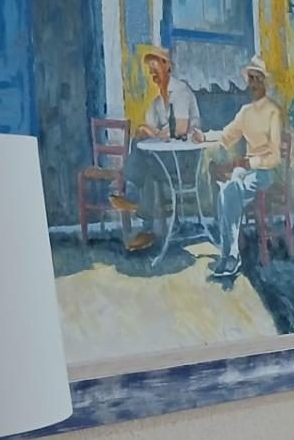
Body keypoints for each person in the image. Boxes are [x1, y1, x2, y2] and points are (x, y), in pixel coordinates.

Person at [112, 45, 203, 250]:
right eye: (150, 70)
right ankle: (147, 227)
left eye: (156, 68)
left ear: (167, 66)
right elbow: (148, 132)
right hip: (164, 159)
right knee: (141, 149)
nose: (152, 73)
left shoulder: (180, 91)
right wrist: (146, 131)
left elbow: (180, 129)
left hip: (184, 160)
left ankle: (137, 206)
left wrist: (152, 132)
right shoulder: (156, 103)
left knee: (149, 160)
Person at [209, 56, 284, 279]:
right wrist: (202, 136)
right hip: (246, 171)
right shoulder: (245, 112)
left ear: (264, 82)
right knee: (229, 188)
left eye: (257, 79)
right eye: (250, 79)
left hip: (265, 172)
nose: (253, 84)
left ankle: (229, 255)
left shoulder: (273, 112)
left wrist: (250, 163)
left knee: (230, 188)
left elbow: (275, 156)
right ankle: (229, 255)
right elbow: (226, 135)